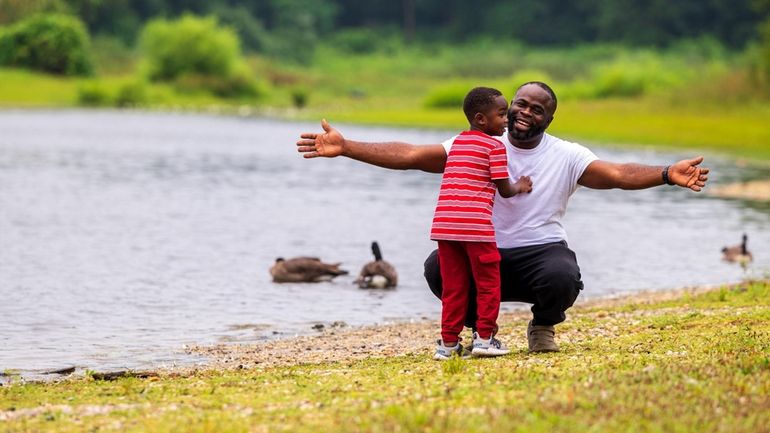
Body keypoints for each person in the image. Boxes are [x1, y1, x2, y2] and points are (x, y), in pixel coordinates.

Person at [295, 81, 709, 353]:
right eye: (521, 104)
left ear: (550, 118)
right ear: (507, 108)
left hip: (537, 253)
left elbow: (617, 175)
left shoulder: (566, 155)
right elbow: (410, 156)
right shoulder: (473, 144)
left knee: (563, 276)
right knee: (436, 268)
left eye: (538, 109)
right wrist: (347, 146)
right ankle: (481, 333)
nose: (526, 112)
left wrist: (665, 175)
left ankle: (543, 326)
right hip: (479, 250)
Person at [431, 87, 532, 360]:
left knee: (454, 287)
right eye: (501, 115)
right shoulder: (495, 147)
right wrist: (521, 185)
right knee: (488, 283)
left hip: (444, 227)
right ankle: (485, 338)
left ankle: (449, 345)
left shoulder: (458, 144)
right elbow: (505, 189)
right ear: (480, 119)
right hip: (476, 227)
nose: (507, 120)